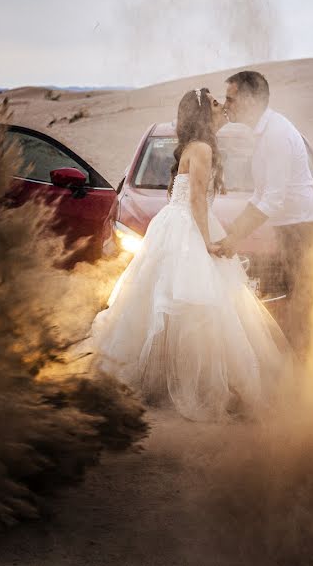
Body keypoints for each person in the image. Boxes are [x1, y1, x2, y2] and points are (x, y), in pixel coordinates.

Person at [90, 88, 292, 422]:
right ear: (203, 114)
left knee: (179, 306)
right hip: (188, 228)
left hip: (180, 224)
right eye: (215, 104)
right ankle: (187, 385)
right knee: (198, 306)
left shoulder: (198, 146)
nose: (221, 107)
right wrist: (207, 242)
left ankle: (167, 379)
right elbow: (197, 198)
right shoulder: (201, 148)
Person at [214, 71, 313, 358]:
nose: (226, 105)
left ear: (250, 100)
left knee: (301, 308)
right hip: (290, 229)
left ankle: (303, 380)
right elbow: (260, 194)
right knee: (291, 305)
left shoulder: (276, 134)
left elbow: (272, 200)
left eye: (231, 98)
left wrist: (234, 238)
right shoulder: (262, 133)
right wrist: (232, 233)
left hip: (304, 231)